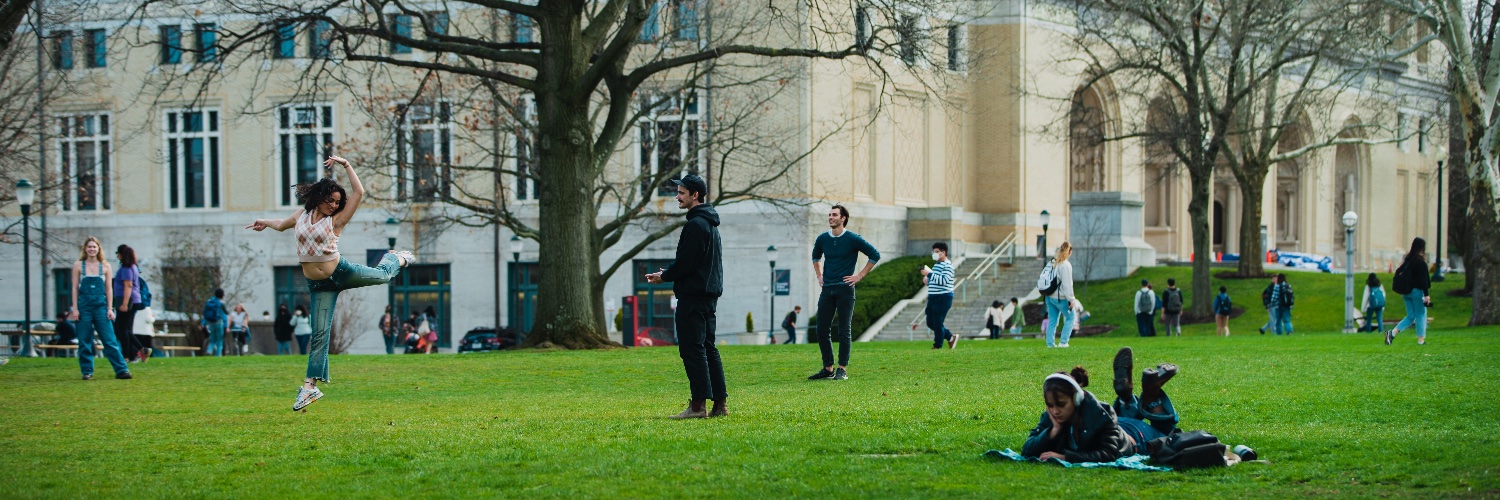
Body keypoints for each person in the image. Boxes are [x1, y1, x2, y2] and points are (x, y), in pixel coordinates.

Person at [248, 155, 415, 411]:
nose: (334, 206)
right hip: (318, 285)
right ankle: (309, 388)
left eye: (338, 203)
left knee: (382, 275)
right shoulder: (303, 215)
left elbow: (359, 192)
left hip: (340, 272)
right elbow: (282, 225)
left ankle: (396, 258)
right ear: (320, 197)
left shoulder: (336, 221)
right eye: (331, 200)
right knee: (319, 334)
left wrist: (346, 165)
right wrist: (265, 223)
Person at [643, 174, 727, 419]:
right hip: (707, 295)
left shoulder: (696, 225)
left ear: (695, 195)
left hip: (693, 297)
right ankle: (720, 405)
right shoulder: (710, 225)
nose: (677, 197)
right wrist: (669, 272)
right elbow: (693, 262)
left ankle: (698, 407)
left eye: (681, 193)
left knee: (693, 350)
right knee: (708, 348)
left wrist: (665, 276)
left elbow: (687, 263)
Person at [808, 204, 881, 380]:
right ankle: (827, 368)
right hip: (827, 289)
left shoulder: (853, 239)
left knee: (843, 330)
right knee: (821, 329)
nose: (831, 217)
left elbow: (874, 255)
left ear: (843, 218)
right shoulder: (822, 239)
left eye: (834, 215)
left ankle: (842, 369)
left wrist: (860, 276)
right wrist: (819, 275)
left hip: (845, 289)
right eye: (830, 214)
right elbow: (816, 257)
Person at [1019, 366, 1128, 462]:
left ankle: (1127, 398)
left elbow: (1109, 454)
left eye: (1061, 404)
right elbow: (1026, 451)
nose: (1055, 411)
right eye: (1050, 405)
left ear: (1076, 399)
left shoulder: (1101, 414)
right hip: (1118, 423)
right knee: (1122, 416)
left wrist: (1066, 457)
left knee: (1128, 415)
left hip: (1133, 435)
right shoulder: (1051, 416)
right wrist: (1052, 432)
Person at [69, 237, 132, 380]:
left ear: (99, 249)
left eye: (94, 247)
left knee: (110, 340)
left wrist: (110, 309)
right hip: (84, 307)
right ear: (85, 249)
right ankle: (87, 371)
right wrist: (76, 309)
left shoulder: (105, 266)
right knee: (84, 341)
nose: (92, 249)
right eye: (89, 247)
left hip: (101, 307)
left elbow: (109, 290)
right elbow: (74, 288)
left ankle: (122, 370)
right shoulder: (78, 265)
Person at [1387, 237, 1432, 346]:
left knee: (1410, 316)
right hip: (1417, 292)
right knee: (1421, 315)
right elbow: (1423, 280)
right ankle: (1421, 340)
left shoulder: (1408, 260)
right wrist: (1426, 295)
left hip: (1407, 292)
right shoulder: (1420, 262)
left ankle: (1392, 333)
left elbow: (1398, 271)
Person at [112, 244, 147, 361]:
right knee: (123, 329)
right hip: (133, 299)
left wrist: (125, 304)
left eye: (118, 253)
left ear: (122, 254)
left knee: (121, 329)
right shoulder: (133, 266)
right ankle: (140, 350)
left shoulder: (126, 268)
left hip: (127, 300)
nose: (117, 255)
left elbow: (128, 286)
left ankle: (127, 355)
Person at [924, 242, 957, 350]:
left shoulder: (947, 265)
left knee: (938, 322)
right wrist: (928, 281)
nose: (935, 254)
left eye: (937, 252)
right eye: (934, 252)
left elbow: (944, 280)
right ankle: (950, 337)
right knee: (930, 322)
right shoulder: (937, 265)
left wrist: (928, 274)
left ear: (943, 252)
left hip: (943, 297)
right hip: (933, 297)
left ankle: (937, 345)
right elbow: (936, 280)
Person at [1043, 242, 1076, 348]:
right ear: (1069, 251)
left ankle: (1050, 344)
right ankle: (1063, 342)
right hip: (1060, 298)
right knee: (1071, 318)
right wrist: (1071, 299)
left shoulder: (1053, 263)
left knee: (1052, 320)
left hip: (1049, 296)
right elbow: (1067, 285)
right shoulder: (1065, 265)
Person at [201, 289, 229, 356]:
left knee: (212, 339)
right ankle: (218, 355)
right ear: (222, 295)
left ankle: (209, 350)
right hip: (219, 322)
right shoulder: (221, 302)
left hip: (210, 322)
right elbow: (226, 312)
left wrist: (203, 323)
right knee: (219, 340)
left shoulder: (209, 301)